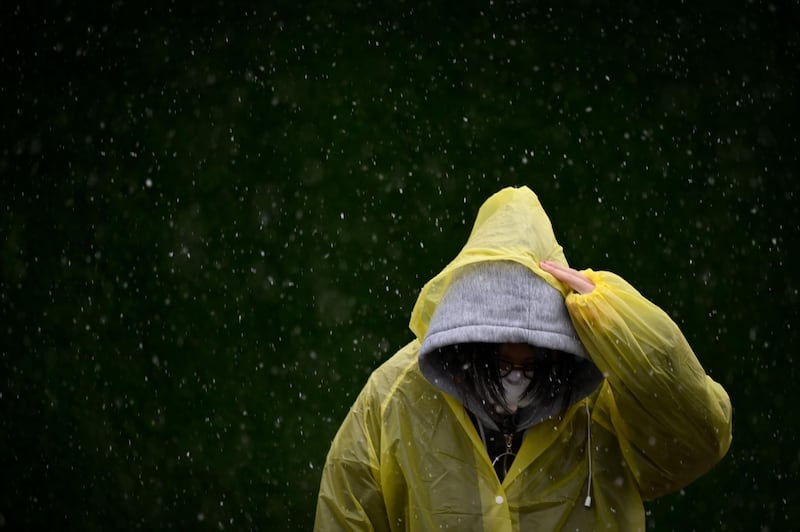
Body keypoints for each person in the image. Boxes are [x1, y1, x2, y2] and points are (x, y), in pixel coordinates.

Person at [314, 186, 732, 531]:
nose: (515, 379)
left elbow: (699, 438)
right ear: (468, 339)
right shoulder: (396, 396)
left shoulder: (603, 394)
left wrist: (613, 317)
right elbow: (347, 511)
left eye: (533, 361)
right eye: (500, 357)